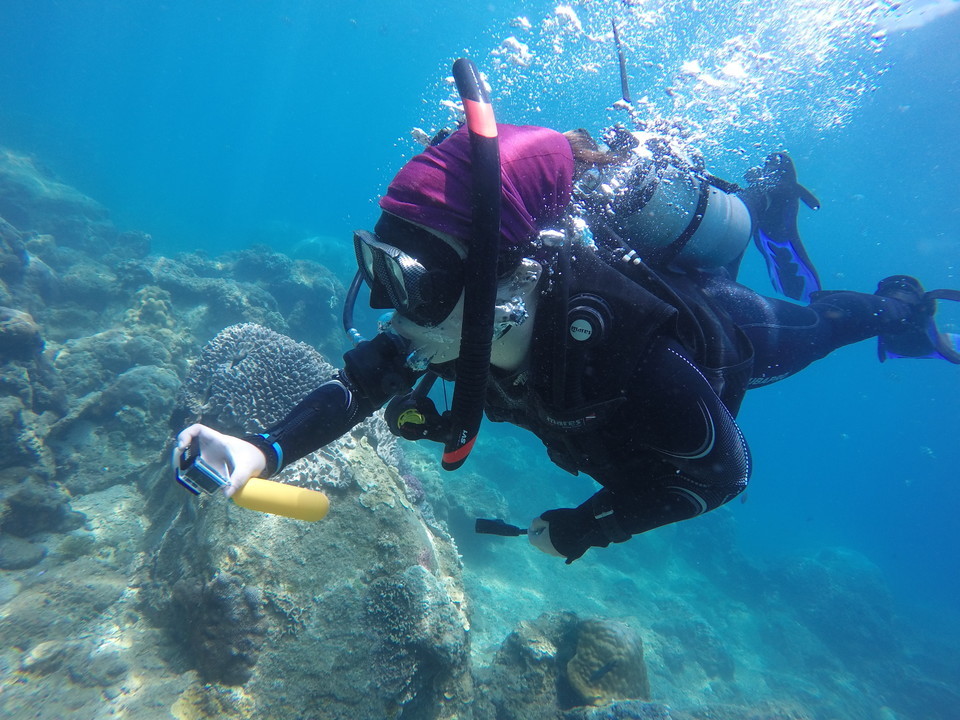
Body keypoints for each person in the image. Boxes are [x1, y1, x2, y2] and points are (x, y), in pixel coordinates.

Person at [174, 122, 960, 564]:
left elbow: (725, 474)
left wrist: (594, 523)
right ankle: (756, 203)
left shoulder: (632, 356)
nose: (388, 302)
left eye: (413, 279)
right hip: (586, 286)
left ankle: (893, 305)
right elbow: (359, 385)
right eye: (380, 265)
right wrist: (261, 453)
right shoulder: (459, 313)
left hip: (724, 327)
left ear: (501, 287)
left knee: (818, 325)